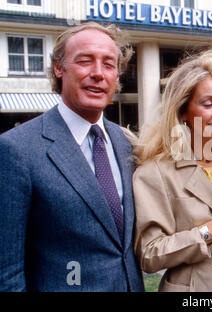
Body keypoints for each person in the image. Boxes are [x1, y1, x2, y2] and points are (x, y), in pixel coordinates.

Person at [0, 22, 144, 291]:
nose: (98, 74)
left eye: (109, 64)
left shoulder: (126, 144)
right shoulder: (16, 150)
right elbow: (6, 272)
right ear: (59, 68)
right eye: (85, 61)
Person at [133, 49, 212, 292]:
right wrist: (211, 230)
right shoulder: (155, 173)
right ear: (183, 112)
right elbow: (149, 254)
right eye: (208, 103)